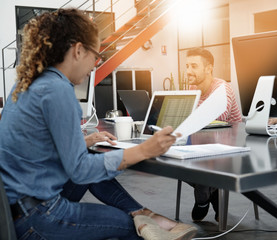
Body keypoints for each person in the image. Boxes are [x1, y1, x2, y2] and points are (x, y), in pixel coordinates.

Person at [0, 8, 196, 240]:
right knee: (131, 228)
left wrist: (81, 141)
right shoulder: (58, 90)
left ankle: (144, 213)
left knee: (96, 169)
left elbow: (32, 145)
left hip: (16, 209)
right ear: (78, 49)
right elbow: (81, 170)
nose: (95, 63)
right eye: (96, 55)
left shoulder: (28, 83)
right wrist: (144, 149)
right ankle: (144, 220)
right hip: (37, 217)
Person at [185, 48, 242, 222]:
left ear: (209, 68)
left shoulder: (223, 89)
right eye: (187, 66)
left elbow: (213, 123)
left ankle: (202, 199)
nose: (188, 71)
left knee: (198, 162)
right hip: (201, 147)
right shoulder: (192, 88)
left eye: (194, 66)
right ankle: (214, 195)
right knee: (169, 160)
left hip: (229, 150)